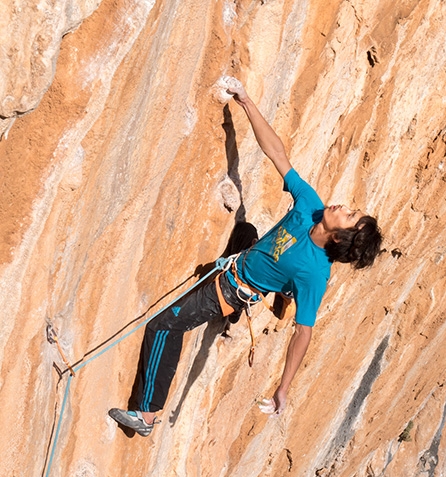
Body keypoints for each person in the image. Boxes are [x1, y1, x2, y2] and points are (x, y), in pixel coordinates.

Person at [108, 80, 383, 437]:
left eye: (348, 215)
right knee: (246, 229)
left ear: (340, 236)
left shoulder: (315, 273)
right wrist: (246, 102)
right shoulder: (311, 208)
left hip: (230, 287)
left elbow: (303, 333)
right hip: (247, 258)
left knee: (164, 325)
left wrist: (284, 387)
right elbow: (278, 155)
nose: (342, 206)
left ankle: (145, 416)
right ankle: (277, 289)